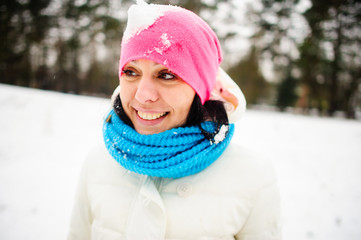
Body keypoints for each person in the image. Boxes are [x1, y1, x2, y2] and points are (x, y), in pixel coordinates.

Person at [67, 1, 281, 239]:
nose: (142, 94)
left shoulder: (252, 175)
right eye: (131, 72)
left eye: (167, 75)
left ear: (200, 88)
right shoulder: (98, 164)